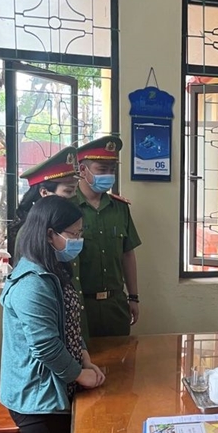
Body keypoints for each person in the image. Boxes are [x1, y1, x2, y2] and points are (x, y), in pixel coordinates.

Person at [0, 195, 105, 433]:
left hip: (51, 390)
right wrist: (79, 375)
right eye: (72, 234)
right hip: (37, 399)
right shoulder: (33, 282)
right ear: (48, 234)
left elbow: (68, 325)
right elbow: (45, 345)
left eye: (80, 233)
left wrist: (85, 360)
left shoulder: (53, 270)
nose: (78, 241)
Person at [71, 135, 142, 337]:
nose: (109, 175)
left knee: (122, 356)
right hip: (80, 304)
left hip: (115, 305)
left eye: (112, 170)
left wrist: (133, 297)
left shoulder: (120, 208)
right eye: (102, 170)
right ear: (82, 170)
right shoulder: (68, 208)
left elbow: (127, 254)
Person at [8, 146, 80, 263]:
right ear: (45, 193)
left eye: (75, 191)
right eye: (68, 191)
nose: (74, 198)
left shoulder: (68, 226)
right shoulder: (31, 233)